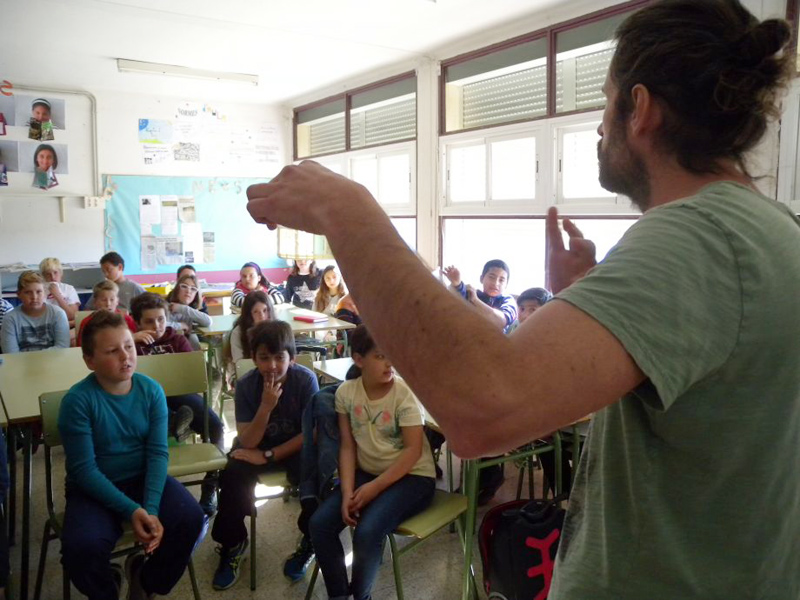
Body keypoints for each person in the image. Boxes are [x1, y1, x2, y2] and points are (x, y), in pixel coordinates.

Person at [244, 2, 800, 597]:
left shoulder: (697, 236)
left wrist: (345, 211)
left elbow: (485, 409)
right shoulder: (768, 229)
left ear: (639, 109)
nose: (598, 128)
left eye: (605, 105)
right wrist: (586, 295)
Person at [58, 310, 205, 600]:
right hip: (93, 490)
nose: (126, 356)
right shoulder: (77, 402)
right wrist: (133, 511)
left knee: (191, 520)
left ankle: (146, 579)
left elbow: (157, 454)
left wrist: (149, 508)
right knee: (81, 548)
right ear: (90, 360)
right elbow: (84, 471)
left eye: (128, 345)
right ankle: (106, 587)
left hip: (142, 479)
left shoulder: (151, 391)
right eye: (112, 351)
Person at [309, 325, 435, 600]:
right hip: (368, 473)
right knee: (319, 524)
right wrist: (346, 493)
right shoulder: (346, 393)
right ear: (358, 359)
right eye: (380, 356)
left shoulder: (404, 394)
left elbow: (413, 451)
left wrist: (375, 488)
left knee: (367, 531)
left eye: (392, 355)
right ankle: (339, 595)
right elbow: (347, 445)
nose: (390, 363)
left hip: (413, 477)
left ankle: (360, 597)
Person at [211, 320, 319, 591]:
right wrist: (266, 407)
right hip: (254, 444)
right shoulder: (247, 385)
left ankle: (310, 539)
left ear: (291, 358)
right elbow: (247, 439)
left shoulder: (305, 380)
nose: (272, 365)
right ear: (254, 359)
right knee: (233, 472)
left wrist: (269, 455)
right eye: (264, 358)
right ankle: (234, 543)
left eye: (279, 357)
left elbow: (312, 434)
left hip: (292, 447)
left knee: (318, 469)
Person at [130, 293, 224, 515]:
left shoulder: (177, 340)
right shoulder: (131, 344)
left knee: (216, 427)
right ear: (137, 322)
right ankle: (175, 423)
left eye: (161, 319)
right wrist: (131, 341)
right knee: (154, 420)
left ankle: (210, 489)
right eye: (149, 321)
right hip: (147, 401)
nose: (157, 326)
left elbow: (190, 377)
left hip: (182, 397)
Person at [0, 271, 69, 353]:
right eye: (28, 292)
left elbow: (62, 347)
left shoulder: (58, 314)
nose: (34, 297)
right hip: (21, 364)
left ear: (45, 292)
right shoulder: (10, 319)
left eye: (39, 292)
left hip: (52, 361)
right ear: (19, 294)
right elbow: (10, 353)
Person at [444, 260, 517, 334]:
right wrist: (457, 283)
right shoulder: (474, 293)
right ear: (481, 279)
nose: (496, 283)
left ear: (506, 284)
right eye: (492, 277)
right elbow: (461, 293)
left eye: (501, 280)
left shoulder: (508, 300)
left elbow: (501, 321)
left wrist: (475, 301)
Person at [76, 280, 138, 347]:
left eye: (112, 300)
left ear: (117, 301)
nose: (108, 304)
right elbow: (81, 348)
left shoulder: (127, 320)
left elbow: (135, 345)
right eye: (103, 300)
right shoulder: (87, 322)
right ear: (95, 302)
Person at [166, 273, 211, 350]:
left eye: (193, 289)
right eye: (184, 286)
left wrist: (182, 308)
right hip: (168, 343)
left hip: (186, 342)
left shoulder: (189, 310)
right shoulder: (167, 306)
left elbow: (208, 321)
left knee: (194, 338)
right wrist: (181, 326)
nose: (188, 291)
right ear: (177, 290)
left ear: (196, 295)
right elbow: (160, 326)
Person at [229, 290, 274, 363]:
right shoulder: (238, 333)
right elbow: (240, 364)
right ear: (248, 315)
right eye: (256, 312)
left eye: (265, 310)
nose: (262, 316)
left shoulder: (277, 330)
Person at [39, 257, 81, 322]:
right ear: (43, 276)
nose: (52, 277)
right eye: (48, 274)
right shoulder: (38, 289)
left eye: (55, 272)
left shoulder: (69, 289)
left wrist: (57, 295)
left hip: (66, 324)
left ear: (61, 273)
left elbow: (72, 316)